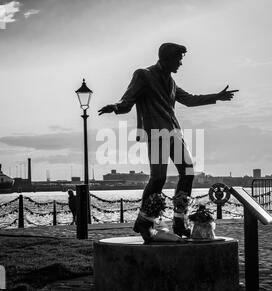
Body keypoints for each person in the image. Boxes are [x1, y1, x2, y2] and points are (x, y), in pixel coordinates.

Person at [98, 42, 238, 242]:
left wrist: (217, 96)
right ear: (166, 58)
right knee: (158, 178)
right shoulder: (143, 75)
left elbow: (189, 100)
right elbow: (127, 100)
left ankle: (180, 220)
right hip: (156, 133)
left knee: (188, 170)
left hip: (174, 132)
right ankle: (144, 221)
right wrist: (115, 106)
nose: (181, 63)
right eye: (178, 59)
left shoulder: (171, 83)